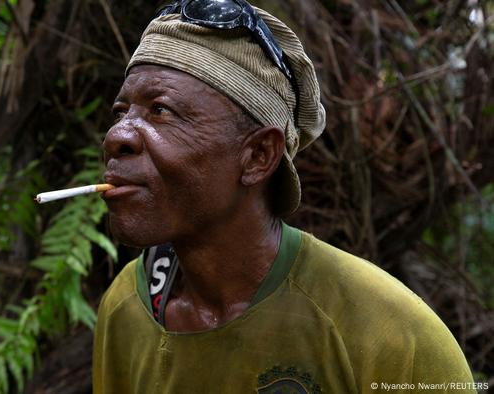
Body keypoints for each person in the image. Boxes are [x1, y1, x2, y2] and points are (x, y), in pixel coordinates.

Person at [93, 1, 475, 393]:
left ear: (258, 156)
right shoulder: (127, 307)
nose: (116, 136)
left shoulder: (391, 334)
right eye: (122, 111)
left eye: (161, 110)